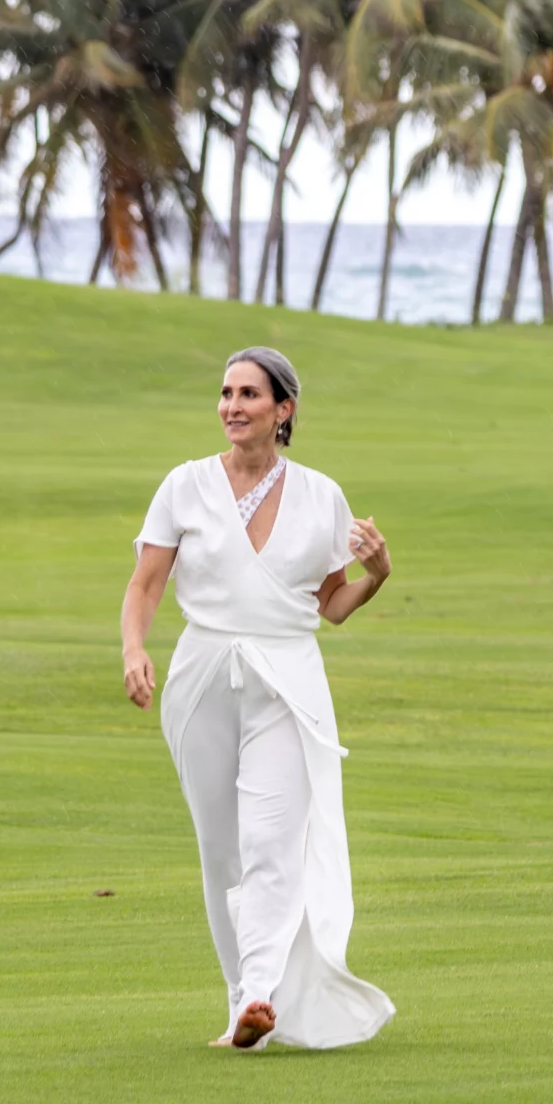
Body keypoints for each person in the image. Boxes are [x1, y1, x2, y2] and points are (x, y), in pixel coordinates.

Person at [121, 347, 397, 1051]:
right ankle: (239, 998)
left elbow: (332, 605)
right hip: (203, 673)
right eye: (225, 392)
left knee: (273, 840)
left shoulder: (320, 495)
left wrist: (379, 575)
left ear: (284, 409)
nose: (232, 406)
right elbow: (146, 583)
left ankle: (259, 997)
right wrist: (134, 649)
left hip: (287, 678)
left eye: (248, 394)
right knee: (223, 850)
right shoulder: (183, 485)